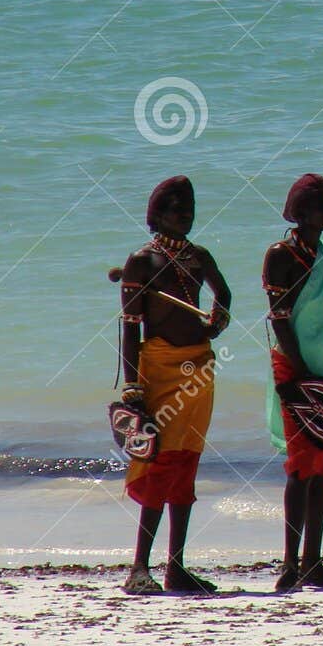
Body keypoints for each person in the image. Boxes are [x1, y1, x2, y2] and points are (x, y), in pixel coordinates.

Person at [117, 176, 232, 595]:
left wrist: (219, 316)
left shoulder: (199, 256)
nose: (185, 216)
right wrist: (131, 386)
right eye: (176, 209)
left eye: (190, 209)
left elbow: (225, 293)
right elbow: (129, 328)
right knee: (159, 461)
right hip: (160, 371)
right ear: (157, 215)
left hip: (198, 369)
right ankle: (139, 567)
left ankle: (177, 567)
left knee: (187, 462)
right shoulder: (141, 262)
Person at [264, 174, 323, 592]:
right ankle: (289, 564)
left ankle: (312, 561)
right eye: (322, 205)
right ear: (300, 213)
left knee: (322, 467)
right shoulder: (281, 255)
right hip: (297, 368)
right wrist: (299, 376)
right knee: (300, 469)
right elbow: (280, 318)